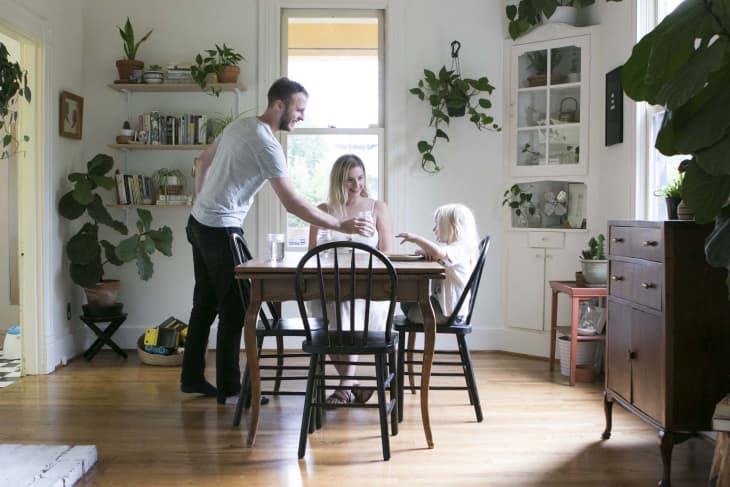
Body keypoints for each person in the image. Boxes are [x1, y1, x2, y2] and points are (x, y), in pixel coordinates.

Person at [181, 78, 373, 404]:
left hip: (198, 223)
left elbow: (202, 161)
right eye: (299, 110)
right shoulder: (267, 145)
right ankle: (231, 388)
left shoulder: (240, 126)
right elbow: (293, 202)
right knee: (238, 309)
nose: (301, 116)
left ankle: (192, 378)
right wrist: (340, 224)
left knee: (205, 305)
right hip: (221, 229)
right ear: (279, 105)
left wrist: (203, 202)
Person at [307, 154, 394, 405]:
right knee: (329, 309)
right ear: (338, 182)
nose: (356, 185)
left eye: (360, 178)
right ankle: (351, 383)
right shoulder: (323, 211)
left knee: (347, 307)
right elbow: (311, 253)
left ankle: (344, 386)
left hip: (369, 291)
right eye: (349, 180)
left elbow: (387, 251)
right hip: (328, 288)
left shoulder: (377, 207)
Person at [396, 203, 479, 325]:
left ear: (452, 227)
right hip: (447, 309)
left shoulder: (459, 248)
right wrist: (426, 252)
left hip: (450, 314)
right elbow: (437, 253)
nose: (434, 229)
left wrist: (416, 239)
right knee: (408, 301)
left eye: (438, 225)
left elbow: (438, 252)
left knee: (407, 303)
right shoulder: (454, 248)